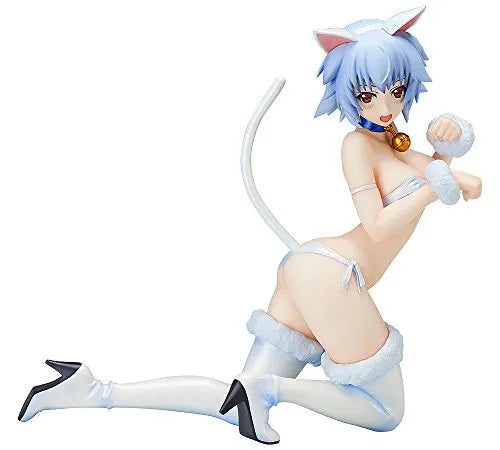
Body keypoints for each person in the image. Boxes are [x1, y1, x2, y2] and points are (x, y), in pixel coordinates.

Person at [18, 6, 482, 445]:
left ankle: (93, 391)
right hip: (333, 274)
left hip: (313, 271)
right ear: (347, 94)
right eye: (367, 94)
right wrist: (436, 186)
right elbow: (378, 225)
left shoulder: (393, 142)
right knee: (384, 411)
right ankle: (270, 388)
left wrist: (447, 145)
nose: (384, 104)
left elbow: (442, 177)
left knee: (234, 402)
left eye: (396, 89)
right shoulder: (356, 146)